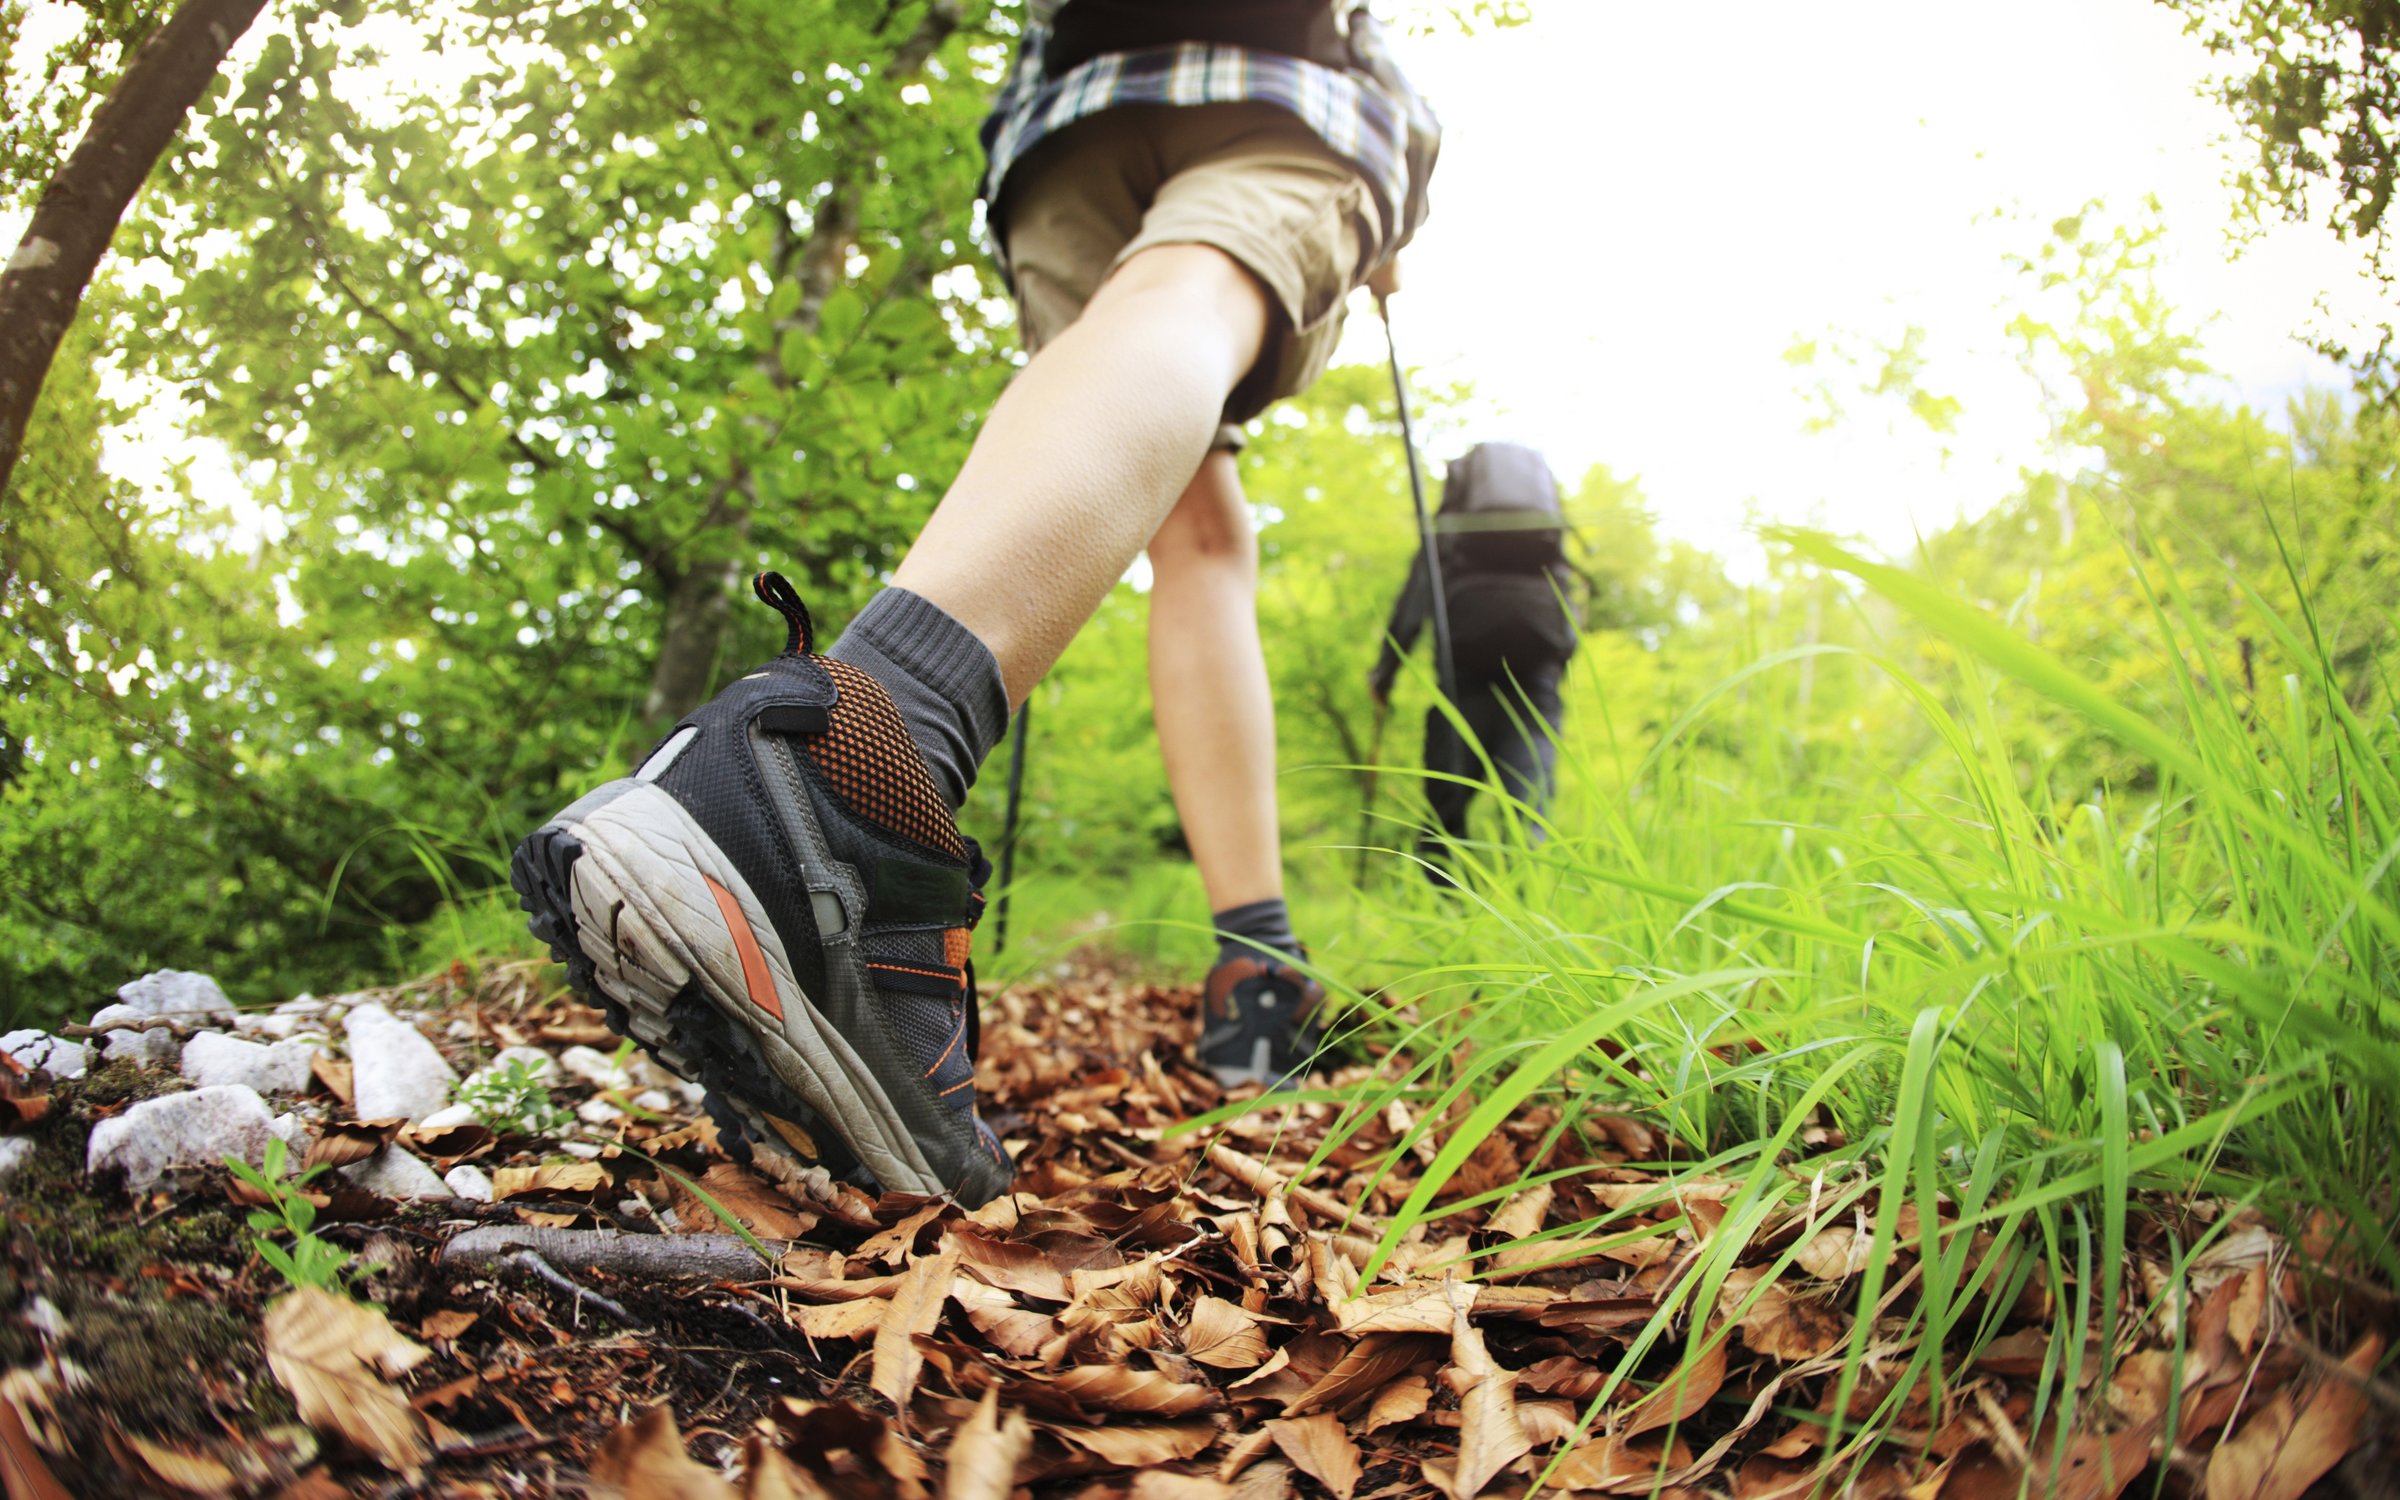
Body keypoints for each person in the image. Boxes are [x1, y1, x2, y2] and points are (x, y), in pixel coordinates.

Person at [511, 1, 1439, 1208]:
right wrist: (1395, 188)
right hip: (1288, 76)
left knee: (1198, 519)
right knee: (1196, 296)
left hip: (1064, 129)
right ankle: (848, 763)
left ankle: (1255, 961)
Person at [1368, 441, 1578, 875]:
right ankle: (1529, 920)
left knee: (1446, 808)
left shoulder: (1450, 536)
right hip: (1536, 681)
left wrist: (1385, 673)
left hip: (1463, 675)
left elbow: (1414, 600)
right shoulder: (1543, 541)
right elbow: (1568, 611)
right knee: (1530, 807)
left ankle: (1442, 911)